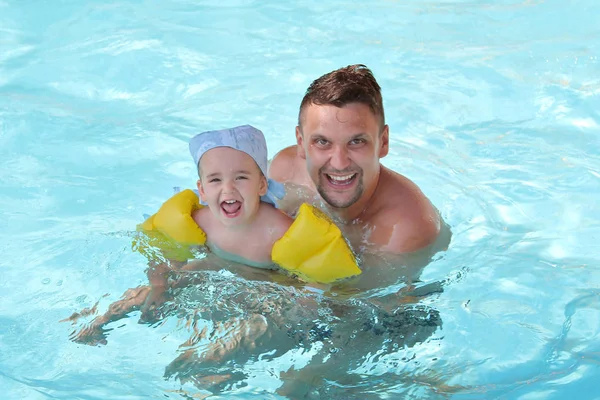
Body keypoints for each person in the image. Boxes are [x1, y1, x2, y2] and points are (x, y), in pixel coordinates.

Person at [67, 124, 360, 345]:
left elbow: (316, 281)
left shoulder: (280, 231)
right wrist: (158, 285)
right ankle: (99, 320)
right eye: (216, 180)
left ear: (261, 185)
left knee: (263, 318)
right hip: (212, 265)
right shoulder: (199, 221)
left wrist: (303, 309)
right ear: (203, 190)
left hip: (267, 282)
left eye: (241, 178)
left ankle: (222, 353)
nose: (228, 189)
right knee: (161, 286)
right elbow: (166, 257)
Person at [268, 64, 450, 281]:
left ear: (383, 142)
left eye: (356, 141)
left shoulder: (405, 229)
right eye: (322, 141)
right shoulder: (285, 171)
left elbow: (356, 306)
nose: (339, 163)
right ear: (301, 142)